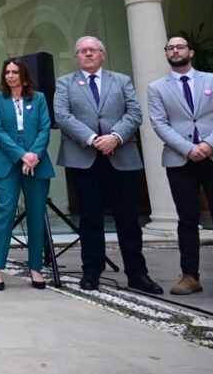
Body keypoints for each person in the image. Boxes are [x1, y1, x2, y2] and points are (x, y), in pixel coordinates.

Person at [55, 36, 163, 294]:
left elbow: (135, 113)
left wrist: (114, 137)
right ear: (77, 57)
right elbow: (62, 115)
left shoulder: (121, 80)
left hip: (120, 156)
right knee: (90, 219)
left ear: (102, 54)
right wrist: (93, 139)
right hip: (84, 159)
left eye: (93, 50)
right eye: (83, 51)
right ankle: (91, 272)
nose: (88, 54)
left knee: (128, 219)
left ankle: (137, 274)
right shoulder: (65, 83)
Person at [147, 34, 213, 299]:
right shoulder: (157, 88)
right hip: (181, 161)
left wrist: (209, 145)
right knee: (187, 220)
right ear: (166, 53)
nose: (175, 50)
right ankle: (190, 276)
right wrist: (189, 148)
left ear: (190, 52)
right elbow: (160, 124)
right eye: (170, 47)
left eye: (180, 47)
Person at [0, 58, 53, 291]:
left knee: (36, 214)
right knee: (5, 212)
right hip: (8, 162)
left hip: (37, 162)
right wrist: (22, 156)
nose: (10, 76)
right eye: (7, 72)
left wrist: (34, 154)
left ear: (24, 76)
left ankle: (35, 266)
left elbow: (45, 128)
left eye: (15, 72)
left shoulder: (39, 98)